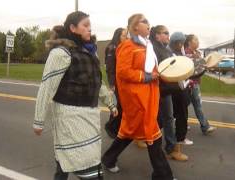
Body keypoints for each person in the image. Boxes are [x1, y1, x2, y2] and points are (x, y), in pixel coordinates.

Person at [33, 11, 118, 180]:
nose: (89, 29)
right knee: (85, 163)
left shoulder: (89, 52)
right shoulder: (61, 53)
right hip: (70, 117)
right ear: (72, 28)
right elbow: (46, 87)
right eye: (85, 25)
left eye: (90, 26)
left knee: (66, 160)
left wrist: (110, 103)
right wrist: (38, 120)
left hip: (90, 115)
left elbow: (96, 81)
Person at [101, 14, 176, 180]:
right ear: (134, 27)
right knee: (152, 133)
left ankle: (108, 158)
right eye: (144, 21)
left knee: (129, 132)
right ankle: (163, 175)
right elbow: (123, 71)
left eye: (148, 21)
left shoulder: (147, 46)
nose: (149, 24)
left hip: (149, 96)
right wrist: (146, 77)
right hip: (136, 99)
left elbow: (154, 70)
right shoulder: (127, 46)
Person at [149, 26, 188, 161]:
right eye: (165, 33)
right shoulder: (152, 50)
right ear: (157, 36)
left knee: (166, 118)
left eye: (168, 33)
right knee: (163, 118)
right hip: (158, 90)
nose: (168, 36)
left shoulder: (165, 50)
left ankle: (170, 147)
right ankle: (169, 148)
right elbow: (159, 73)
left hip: (166, 90)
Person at [184, 34, 217, 135]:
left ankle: (183, 123)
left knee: (187, 105)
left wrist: (209, 66)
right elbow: (192, 68)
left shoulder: (197, 53)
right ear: (189, 42)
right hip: (189, 83)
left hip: (195, 83)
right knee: (194, 105)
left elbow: (200, 68)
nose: (198, 42)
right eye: (196, 40)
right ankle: (205, 126)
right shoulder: (185, 54)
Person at [168, 32, 194, 146]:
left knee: (174, 114)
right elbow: (178, 72)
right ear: (178, 43)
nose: (183, 45)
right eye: (182, 43)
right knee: (181, 114)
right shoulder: (172, 54)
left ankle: (180, 135)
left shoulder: (178, 51)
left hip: (181, 86)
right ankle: (180, 138)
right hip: (178, 88)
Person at [104, 27, 127, 139]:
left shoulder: (123, 47)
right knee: (120, 106)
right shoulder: (112, 48)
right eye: (124, 35)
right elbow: (110, 67)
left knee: (123, 106)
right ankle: (111, 126)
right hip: (117, 82)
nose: (126, 37)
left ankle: (117, 127)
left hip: (124, 81)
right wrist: (112, 83)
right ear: (118, 36)